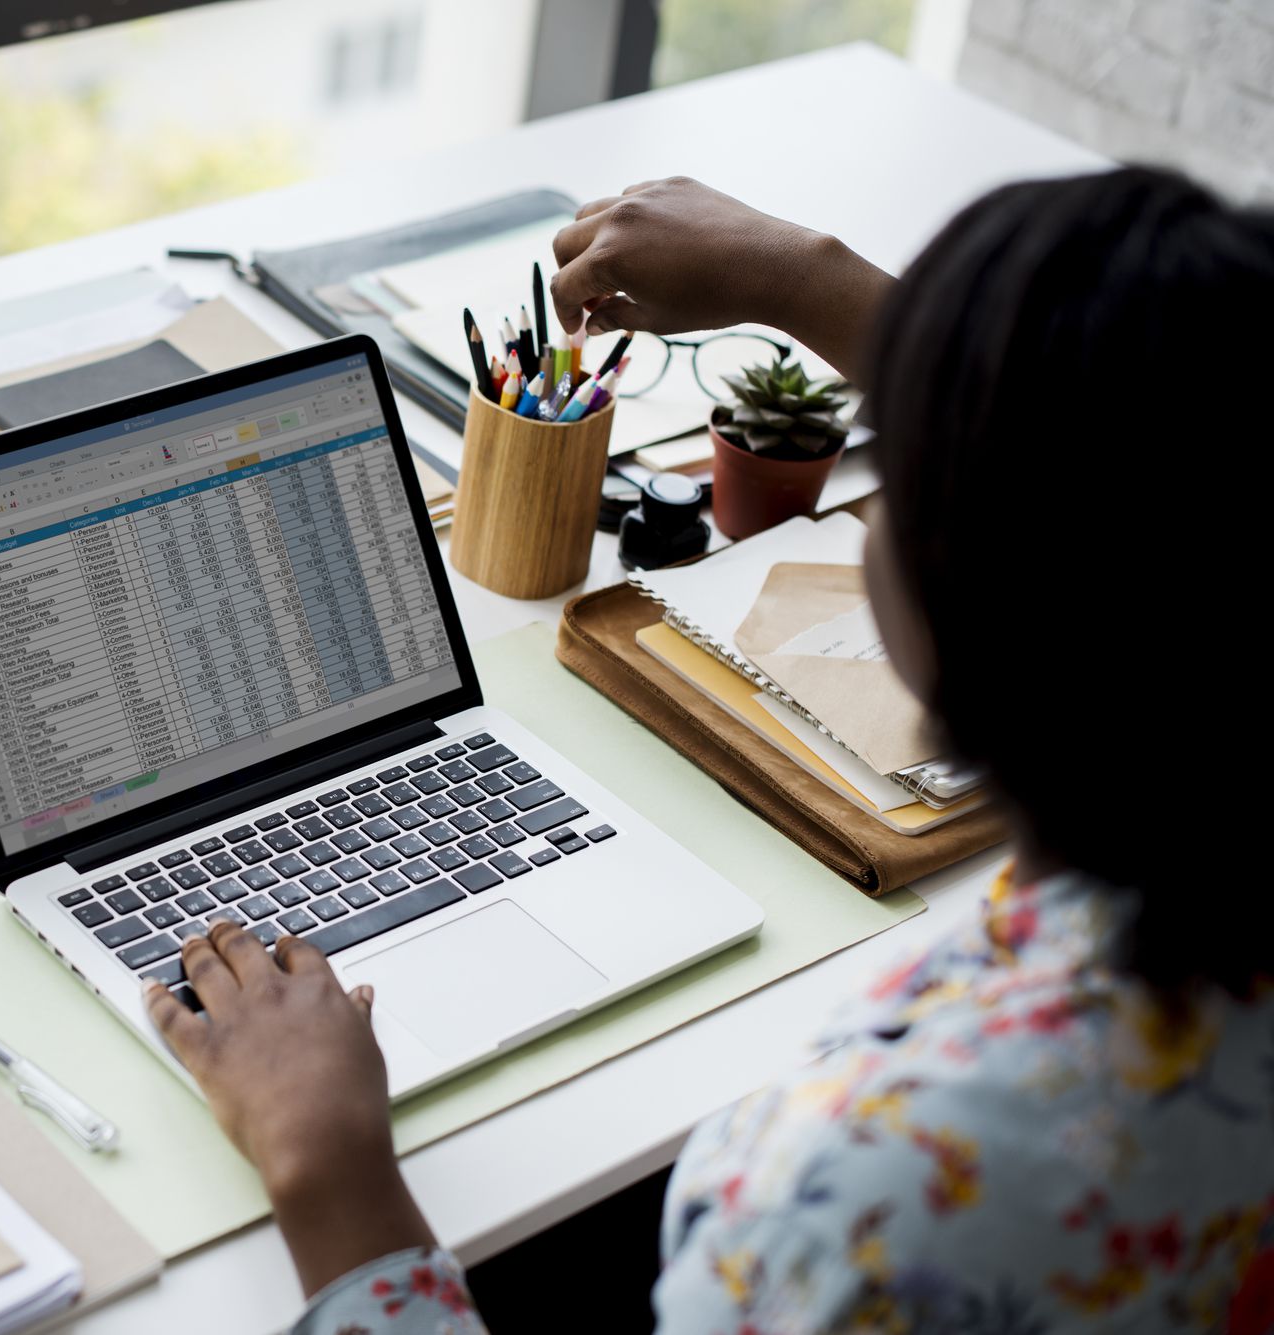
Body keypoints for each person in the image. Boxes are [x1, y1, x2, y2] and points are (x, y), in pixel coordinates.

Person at [142, 168, 1274, 1333]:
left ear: (948, 597)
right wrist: (794, 271)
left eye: (905, 481)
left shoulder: (878, 1202)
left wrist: (327, 1170)